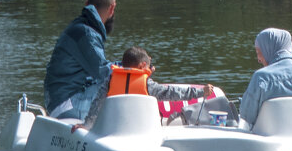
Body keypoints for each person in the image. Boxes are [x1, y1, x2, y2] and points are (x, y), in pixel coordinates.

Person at [84, 46, 215, 126]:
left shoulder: (111, 79)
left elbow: (97, 102)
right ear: (142, 66)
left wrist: (87, 124)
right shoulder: (147, 84)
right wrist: (201, 92)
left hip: (115, 127)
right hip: (143, 129)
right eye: (148, 65)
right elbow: (173, 93)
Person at [43, 0, 116, 119]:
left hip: (58, 100)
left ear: (87, 4)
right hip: (66, 103)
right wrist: (135, 69)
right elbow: (103, 72)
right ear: (112, 8)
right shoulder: (87, 33)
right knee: (120, 83)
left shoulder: (80, 28)